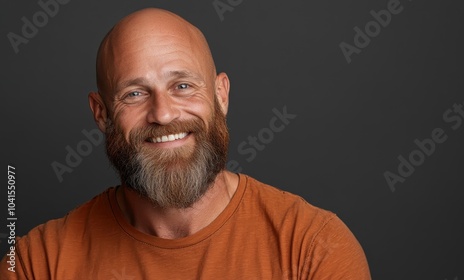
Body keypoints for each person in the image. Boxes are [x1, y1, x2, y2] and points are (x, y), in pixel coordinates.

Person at [1, 7, 371, 279]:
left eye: (182, 86)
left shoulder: (313, 249)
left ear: (221, 95)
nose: (162, 114)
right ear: (101, 113)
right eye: (134, 93)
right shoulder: (37, 264)